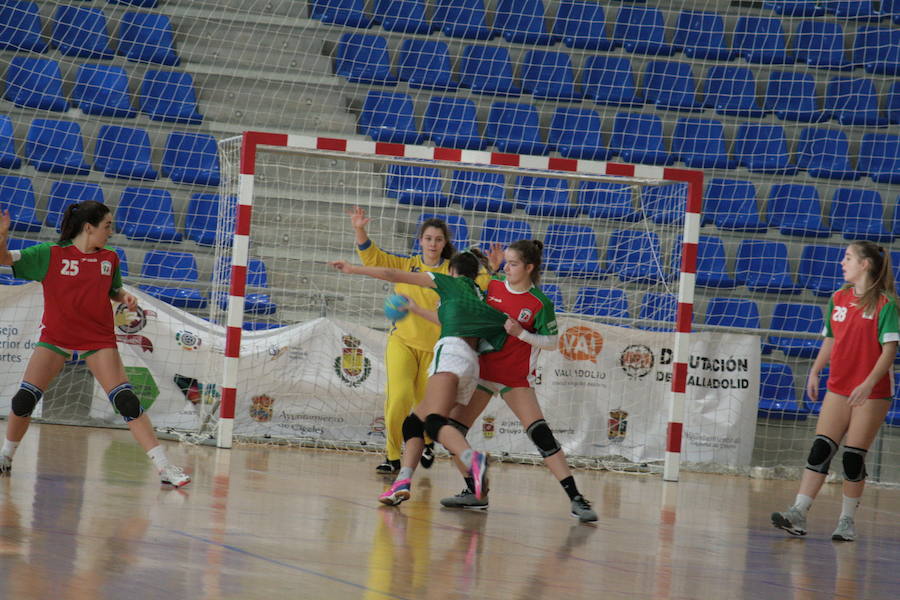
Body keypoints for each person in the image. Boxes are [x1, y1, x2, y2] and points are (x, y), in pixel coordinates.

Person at [0, 204, 191, 487]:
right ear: (88, 227)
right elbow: (4, 258)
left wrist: (123, 295)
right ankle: (6, 456)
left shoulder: (110, 259)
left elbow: (111, 289)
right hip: (56, 336)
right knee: (24, 400)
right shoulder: (49, 254)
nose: (111, 232)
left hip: (97, 338)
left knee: (127, 401)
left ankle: (164, 469)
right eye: (107, 225)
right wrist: (3, 236)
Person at [329, 250, 507, 506]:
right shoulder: (479, 297)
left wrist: (352, 268)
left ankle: (472, 459)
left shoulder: (448, 282)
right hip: (471, 366)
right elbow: (458, 321)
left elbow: (392, 274)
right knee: (414, 424)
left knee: (433, 423)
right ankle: (402, 483)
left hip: (451, 355)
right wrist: (414, 308)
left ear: (452, 272)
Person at [437, 240, 598, 522]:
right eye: (506, 263)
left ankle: (577, 499)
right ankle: (476, 491)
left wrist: (520, 333)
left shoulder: (540, 303)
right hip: (484, 371)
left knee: (541, 435)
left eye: (513, 264)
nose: (507, 268)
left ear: (529, 267)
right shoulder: (494, 287)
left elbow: (550, 342)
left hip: (514, 378)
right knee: (451, 431)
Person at [772, 241, 898, 541]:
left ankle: (846, 521)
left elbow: (889, 351)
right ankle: (798, 513)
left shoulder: (886, 304)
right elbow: (830, 339)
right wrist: (815, 371)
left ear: (865, 264)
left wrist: (868, 384)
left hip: (872, 392)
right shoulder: (838, 298)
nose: (843, 263)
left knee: (853, 457)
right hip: (838, 387)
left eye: (848, 258)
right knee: (821, 449)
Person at [348, 207, 454, 474]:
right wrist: (360, 228)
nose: (433, 243)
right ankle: (392, 456)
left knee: (427, 408)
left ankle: (427, 443)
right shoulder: (406, 266)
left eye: (438, 239)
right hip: (402, 343)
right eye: (428, 238)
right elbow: (373, 258)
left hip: (435, 350)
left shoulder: (451, 273)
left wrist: (496, 266)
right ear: (420, 241)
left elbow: (482, 282)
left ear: (445, 244)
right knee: (399, 399)